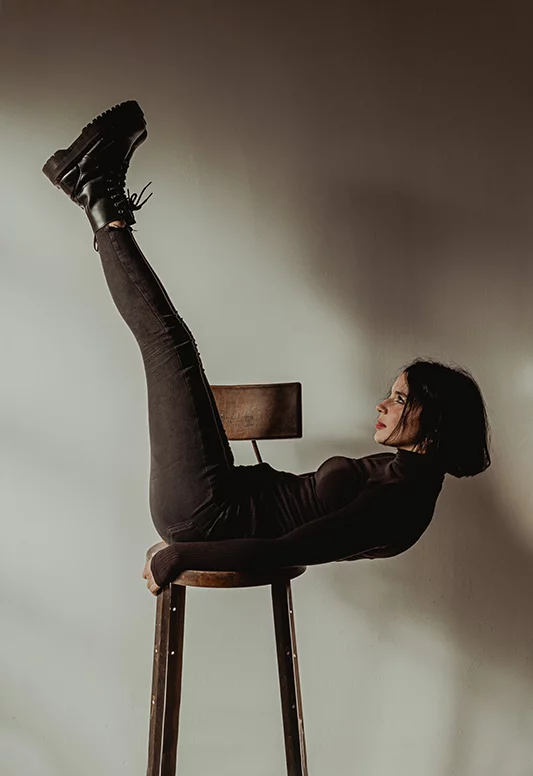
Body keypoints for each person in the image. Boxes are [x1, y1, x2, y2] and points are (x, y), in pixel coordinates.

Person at [42, 100, 492, 596]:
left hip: (206, 515)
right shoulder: (404, 475)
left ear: (437, 421)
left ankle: (96, 192)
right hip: (225, 490)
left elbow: (286, 550)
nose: (383, 405)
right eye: (392, 393)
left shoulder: (400, 505)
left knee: (170, 343)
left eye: (401, 398)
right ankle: (92, 189)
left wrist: (180, 555)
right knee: (177, 348)